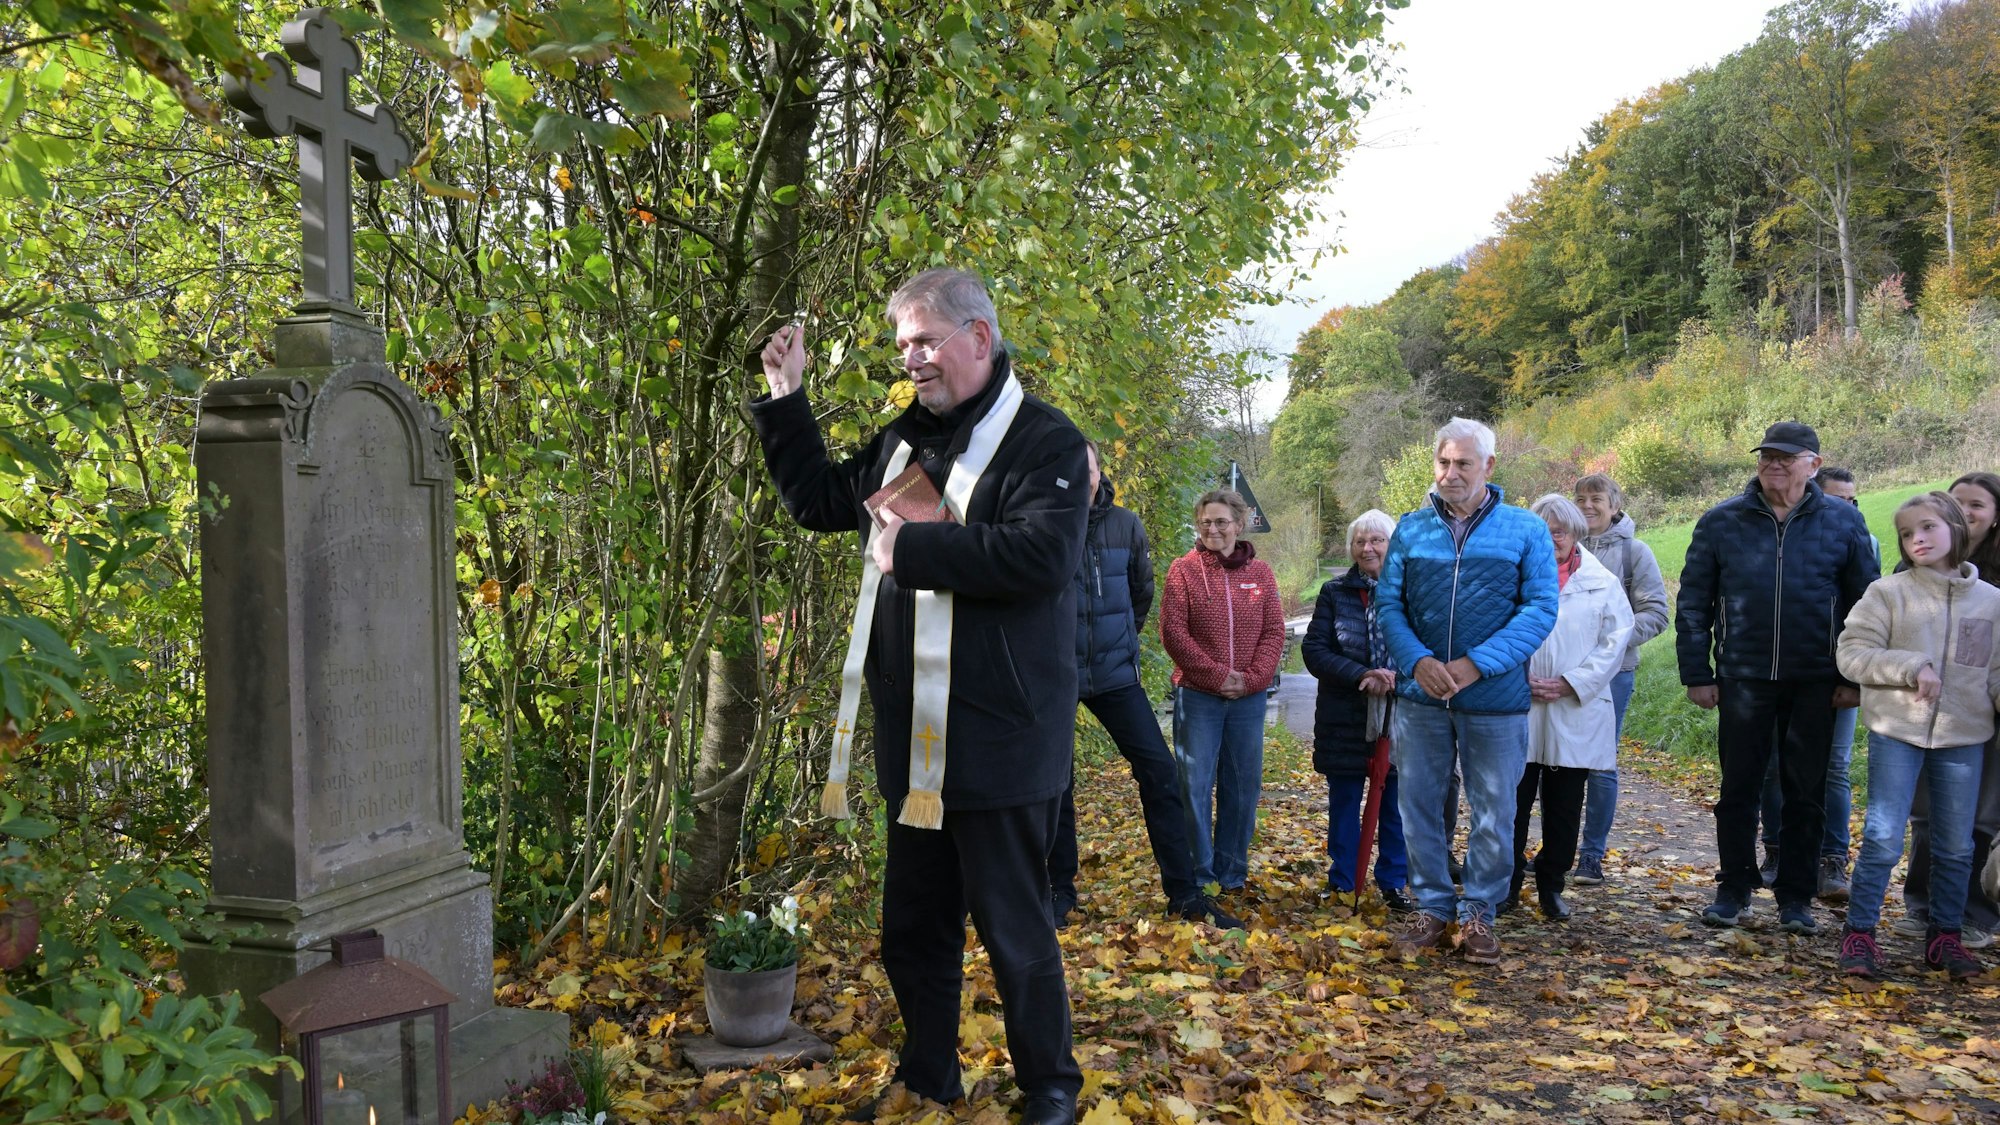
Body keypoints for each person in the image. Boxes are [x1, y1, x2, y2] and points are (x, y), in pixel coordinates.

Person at [750, 268, 1084, 1123]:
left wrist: (918, 554)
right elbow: (823, 501)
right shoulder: (904, 440)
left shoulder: (1043, 442)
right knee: (913, 930)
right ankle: (930, 1074)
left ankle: (1051, 1088)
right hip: (914, 739)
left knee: (1015, 934)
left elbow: (1038, 560)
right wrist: (786, 400)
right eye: (903, 345)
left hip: (1002, 737)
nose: (913, 360)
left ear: (980, 336)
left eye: (926, 341)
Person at [1675, 421, 1876, 935]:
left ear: (1813, 464)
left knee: (1805, 792)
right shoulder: (1722, 521)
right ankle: (1734, 888)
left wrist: (1854, 679)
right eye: (1767, 455)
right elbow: (1694, 602)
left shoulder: (1843, 523)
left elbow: (1864, 607)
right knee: (1738, 788)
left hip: (1816, 682)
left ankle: (1795, 896)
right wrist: (1698, 672)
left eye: (1787, 457)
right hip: (1743, 678)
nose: (1774, 464)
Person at [1376, 417, 1558, 966]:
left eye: (1463, 464)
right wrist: (1417, 660)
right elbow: (1389, 605)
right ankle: (1432, 907)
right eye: (1443, 463)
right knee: (1419, 805)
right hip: (1421, 697)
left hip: (1495, 700)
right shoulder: (1410, 530)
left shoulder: (1525, 530)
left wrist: (1479, 664)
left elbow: (1540, 609)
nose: (1450, 474)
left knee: (1494, 810)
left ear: (1489, 467)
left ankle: (1479, 911)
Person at [1048, 441, 1241, 930]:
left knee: (1158, 771)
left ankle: (1184, 894)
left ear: (1098, 471)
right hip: (1054, 673)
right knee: (1055, 782)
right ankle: (1058, 893)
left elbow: (1141, 592)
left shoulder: (1125, 525)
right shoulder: (1042, 519)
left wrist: (1115, 642)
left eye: (1085, 466)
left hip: (1114, 674)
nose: (1078, 475)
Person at [1833, 491, 1998, 980]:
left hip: (1964, 736)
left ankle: (1944, 938)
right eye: (1907, 533)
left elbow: (1993, 673)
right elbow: (1851, 653)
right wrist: (1912, 666)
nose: (1916, 539)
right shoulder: (1888, 592)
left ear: (1955, 528)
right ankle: (1859, 936)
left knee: (1956, 845)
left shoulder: (1991, 602)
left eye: (1927, 527)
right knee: (1883, 837)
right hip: (1895, 732)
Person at [1507, 495, 1633, 922]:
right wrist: (1514, 678)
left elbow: (1615, 642)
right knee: (1511, 803)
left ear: (1577, 532)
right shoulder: (1512, 579)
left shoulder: (1601, 582)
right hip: (1517, 704)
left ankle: (1551, 885)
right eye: (1543, 531)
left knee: (1563, 808)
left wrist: (1570, 683)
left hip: (1574, 707)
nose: (1553, 538)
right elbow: (1491, 632)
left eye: (1560, 530)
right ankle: (1504, 885)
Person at [1754, 465, 1874, 903]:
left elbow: (1865, 613)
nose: (1846, 507)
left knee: (1834, 767)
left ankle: (1831, 858)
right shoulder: (1793, 534)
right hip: (1781, 674)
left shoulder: (1860, 540)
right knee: (1773, 768)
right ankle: (1777, 852)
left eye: (1852, 500)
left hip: (1836, 675)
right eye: (1837, 499)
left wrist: (1852, 678)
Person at [1159, 489, 1285, 899]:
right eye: (1206, 522)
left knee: (1242, 785)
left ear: (1239, 523)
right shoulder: (1183, 571)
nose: (1213, 529)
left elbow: (1274, 631)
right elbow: (1174, 633)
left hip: (1248, 699)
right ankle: (1199, 872)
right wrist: (1217, 676)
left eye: (1221, 521)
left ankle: (1232, 871)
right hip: (1198, 696)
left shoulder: (1261, 574)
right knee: (1193, 784)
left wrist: (1251, 679)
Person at [1898, 471, 2000, 949]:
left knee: (1981, 814)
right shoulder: (1911, 574)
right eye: (1956, 503)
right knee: (1926, 812)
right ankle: (1922, 905)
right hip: (1927, 713)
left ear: (1995, 515)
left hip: (1988, 714)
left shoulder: (1992, 587)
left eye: (1976, 504)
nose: (1964, 512)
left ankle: (1974, 914)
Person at [1301, 509, 1411, 911]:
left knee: (1396, 805)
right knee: (1345, 803)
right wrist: (1363, 673)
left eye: (1377, 540)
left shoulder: (1412, 589)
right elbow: (1314, 650)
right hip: (1345, 715)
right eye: (1361, 541)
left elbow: (1430, 646)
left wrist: (1399, 677)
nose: (1368, 548)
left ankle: (1393, 882)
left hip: (1401, 713)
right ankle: (1343, 880)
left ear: (1392, 544)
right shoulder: (1334, 592)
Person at [1570, 473, 1670, 887]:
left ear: (1614, 505)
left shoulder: (1634, 553)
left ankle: (1591, 855)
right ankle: (1556, 849)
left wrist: (1610, 640)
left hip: (1613, 675)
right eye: (1580, 499)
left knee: (1600, 765)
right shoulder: (1558, 546)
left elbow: (1656, 613)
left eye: (1596, 499)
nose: (1588, 505)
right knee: (1554, 763)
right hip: (1559, 675)